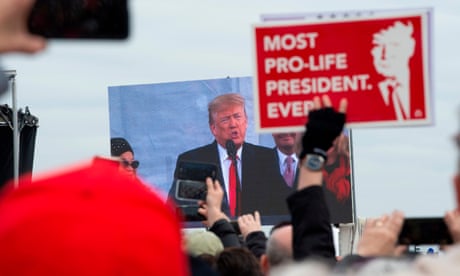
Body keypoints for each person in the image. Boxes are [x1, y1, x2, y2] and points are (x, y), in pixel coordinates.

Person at [0, 157, 189, 275]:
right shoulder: (150, 215)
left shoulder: (149, 209)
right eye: (124, 163)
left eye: (133, 164)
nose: (130, 169)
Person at [168, 93, 288, 217]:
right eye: (225, 119)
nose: (233, 124)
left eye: (238, 117)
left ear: (246, 122)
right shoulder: (194, 162)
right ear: (213, 128)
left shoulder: (266, 158)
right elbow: (178, 212)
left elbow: (281, 208)